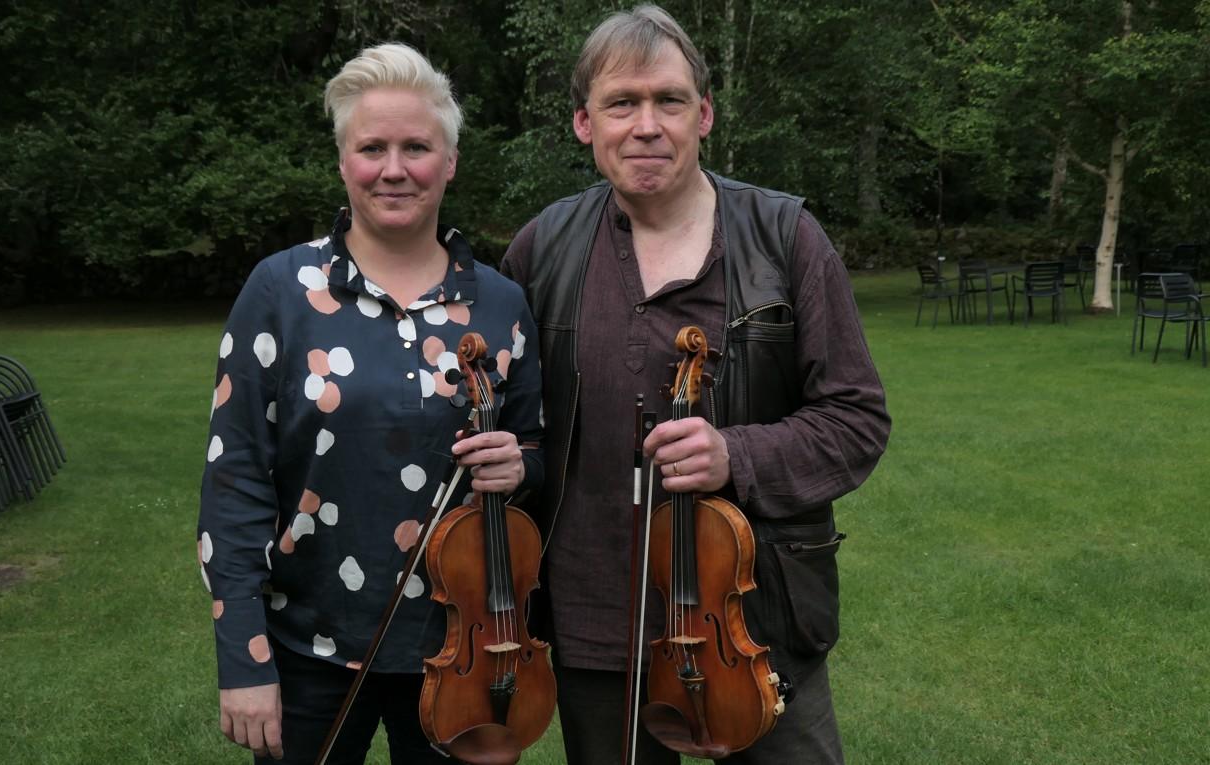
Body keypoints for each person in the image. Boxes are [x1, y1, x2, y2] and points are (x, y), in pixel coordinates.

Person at [501, 6, 891, 765]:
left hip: (755, 612)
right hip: (596, 614)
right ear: (585, 122)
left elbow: (856, 417)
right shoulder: (542, 248)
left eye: (669, 101)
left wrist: (734, 454)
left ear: (703, 114)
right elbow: (515, 425)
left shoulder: (785, 237)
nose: (647, 125)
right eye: (622, 103)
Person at [198, 43, 544, 764]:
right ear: (342, 160)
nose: (394, 168)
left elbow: (538, 458)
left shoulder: (502, 302)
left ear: (449, 162)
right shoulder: (280, 291)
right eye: (372, 147)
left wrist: (521, 466)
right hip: (308, 647)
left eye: (417, 147)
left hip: (466, 649)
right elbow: (233, 484)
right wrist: (245, 661)